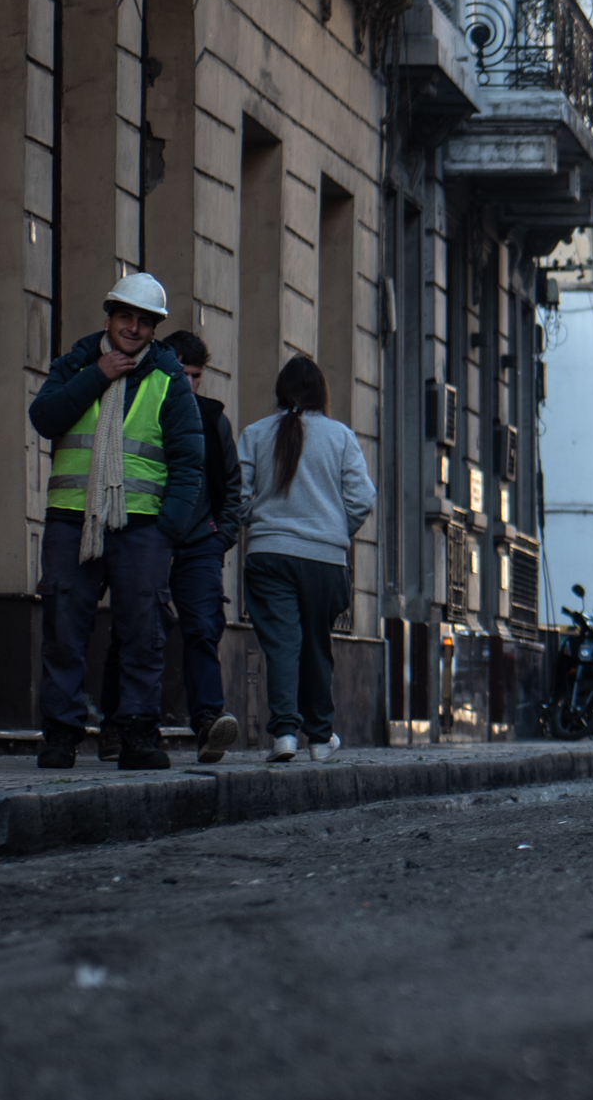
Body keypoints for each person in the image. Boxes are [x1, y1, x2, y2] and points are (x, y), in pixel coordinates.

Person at [27, 273, 204, 770]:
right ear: (109, 317)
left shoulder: (168, 379)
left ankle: (138, 735)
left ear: (153, 329)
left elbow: (190, 461)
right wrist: (97, 374)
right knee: (64, 628)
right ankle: (61, 736)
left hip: (143, 528)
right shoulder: (77, 363)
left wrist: (168, 529)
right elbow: (44, 418)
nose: (133, 328)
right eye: (125, 317)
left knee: (142, 633)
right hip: (72, 521)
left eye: (144, 322)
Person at [99, 330, 242, 764]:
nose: (188, 382)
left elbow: (232, 489)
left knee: (202, 628)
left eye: (195, 375)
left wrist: (221, 538)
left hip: (199, 542)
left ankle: (208, 724)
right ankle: (116, 723)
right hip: (146, 537)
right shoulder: (138, 409)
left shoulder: (213, 419)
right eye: (182, 371)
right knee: (134, 627)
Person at [237, 355, 375, 762]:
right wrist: (334, 530)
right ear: (322, 393)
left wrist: (260, 523)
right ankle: (319, 739)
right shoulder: (341, 437)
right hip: (324, 561)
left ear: (280, 392)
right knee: (316, 644)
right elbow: (362, 498)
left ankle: (283, 735)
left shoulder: (255, 434)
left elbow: (239, 495)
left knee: (282, 644)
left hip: (269, 555)